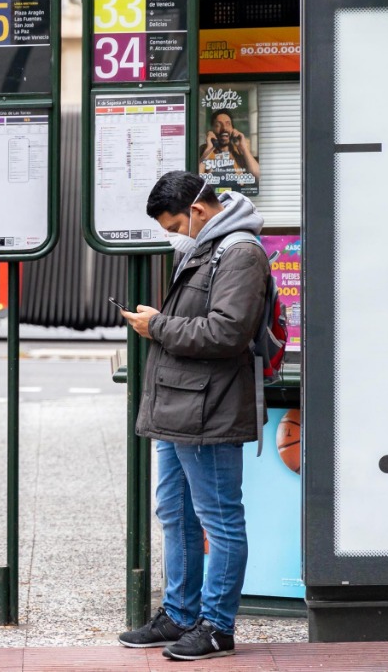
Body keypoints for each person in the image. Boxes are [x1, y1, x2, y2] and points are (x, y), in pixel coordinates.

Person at [116, 171, 268, 661]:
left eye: (177, 223)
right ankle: (181, 614)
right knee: (175, 512)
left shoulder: (239, 252)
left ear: (199, 211)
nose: (175, 234)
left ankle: (218, 625)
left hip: (210, 409)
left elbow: (226, 334)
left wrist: (156, 325)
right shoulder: (203, 248)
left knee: (220, 520)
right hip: (180, 406)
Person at [198, 109, 259, 189]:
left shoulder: (240, 150)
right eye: (218, 125)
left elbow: (258, 177)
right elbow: (196, 181)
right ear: (212, 130)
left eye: (228, 124)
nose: (224, 128)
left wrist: (244, 148)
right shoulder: (204, 149)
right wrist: (209, 149)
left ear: (233, 129)